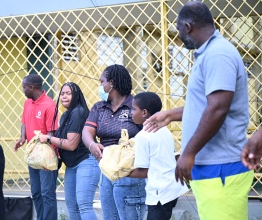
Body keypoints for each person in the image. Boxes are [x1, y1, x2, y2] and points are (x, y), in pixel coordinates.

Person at [144, 1, 253, 219]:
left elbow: (218, 109)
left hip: (221, 168)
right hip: (213, 169)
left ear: (187, 26)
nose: (178, 35)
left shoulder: (218, 55)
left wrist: (189, 153)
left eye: (177, 29)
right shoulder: (209, 54)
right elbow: (206, 106)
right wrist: (170, 115)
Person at [82, 64, 146, 220]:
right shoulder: (99, 107)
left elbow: (148, 133)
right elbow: (87, 131)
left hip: (129, 170)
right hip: (107, 170)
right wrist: (92, 145)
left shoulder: (136, 105)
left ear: (112, 83)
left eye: (102, 82)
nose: (100, 86)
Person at [39, 82, 100, 220]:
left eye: (69, 93)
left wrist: (48, 138)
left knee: (84, 205)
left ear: (76, 95)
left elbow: (71, 144)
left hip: (85, 161)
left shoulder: (78, 112)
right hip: (72, 165)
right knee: (72, 205)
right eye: (62, 93)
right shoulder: (66, 114)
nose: (64, 96)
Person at [129, 92, 188, 220]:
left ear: (144, 112)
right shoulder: (163, 130)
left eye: (134, 109)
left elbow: (143, 171)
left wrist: (118, 172)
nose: (131, 113)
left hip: (159, 193)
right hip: (171, 188)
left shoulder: (142, 136)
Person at [14, 74, 58, 220]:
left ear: (32, 87)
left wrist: (47, 155)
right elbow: (24, 122)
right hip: (32, 156)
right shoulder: (27, 103)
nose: (23, 90)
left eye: (24, 87)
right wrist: (22, 137)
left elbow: (52, 133)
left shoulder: (49, 105)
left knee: (47, 194)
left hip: (46, 157)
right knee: (36, 193)